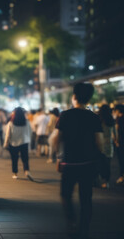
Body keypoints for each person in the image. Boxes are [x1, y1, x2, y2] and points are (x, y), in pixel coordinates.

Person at [53, 82, 103, 238]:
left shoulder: (65, 115)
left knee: (66, 194)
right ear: (88, 99)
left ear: (74, 97)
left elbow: (55, 139)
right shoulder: (94, 117)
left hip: (69, 164)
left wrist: (59, 157)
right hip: (88, 164)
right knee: (86, 198)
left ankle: (71, 222)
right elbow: (100, 143)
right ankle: (84, 228)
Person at [4, 107, 33, 181]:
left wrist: (6, 144)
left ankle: (15, 173)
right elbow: (30, 131)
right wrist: (28, 139)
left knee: (14, 159)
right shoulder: (26, 122)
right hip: (24, 142)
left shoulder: (11, 123)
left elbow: (8, 134)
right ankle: (26, 171)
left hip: (13, 143)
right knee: (25, 158)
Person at [97, 105, 115, 189]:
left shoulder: (99, 120)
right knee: (107, 164)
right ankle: (106, 182)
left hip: (100, 143)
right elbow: (115, 134)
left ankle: (99, 179)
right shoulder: (111, 120)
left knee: (100, 163)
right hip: (109, 144)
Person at [114, 104, 124, 184]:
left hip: (121, 142)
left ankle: (122, 177)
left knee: (121, 160)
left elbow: (116, 132)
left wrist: (116, 141)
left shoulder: (119, 119)